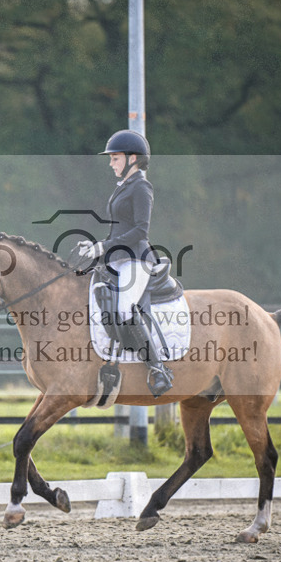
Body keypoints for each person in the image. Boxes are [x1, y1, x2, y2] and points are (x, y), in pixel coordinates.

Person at [77, 130, 173, 396]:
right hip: (118, 258)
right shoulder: (123, 187)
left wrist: (104, 246)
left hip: (137, 259)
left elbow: (141, 231)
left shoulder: (142, 187)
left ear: (133, 158)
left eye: (115, 158)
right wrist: (96, 248)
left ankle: (158, 369)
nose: (111, 163)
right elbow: (117, 231)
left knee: (125, 308)